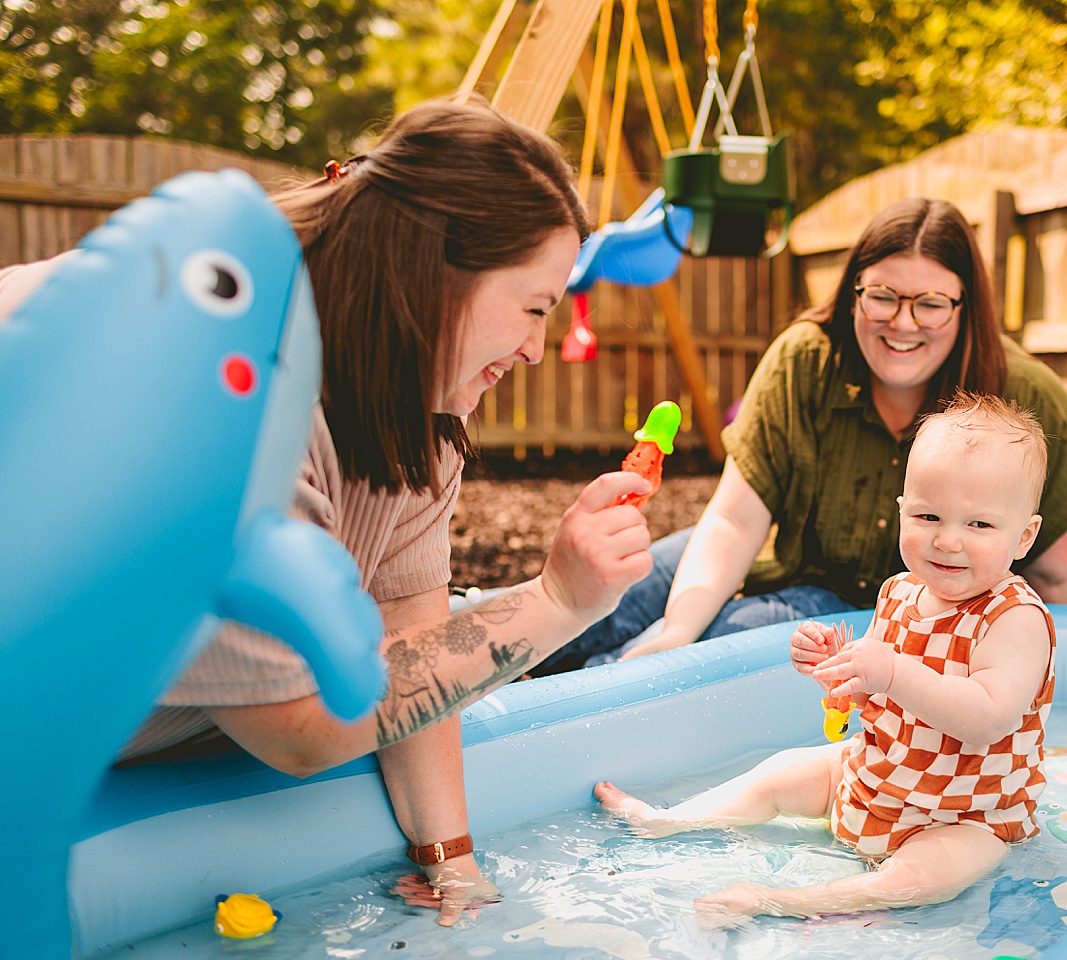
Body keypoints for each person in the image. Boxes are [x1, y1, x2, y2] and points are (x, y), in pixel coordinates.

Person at [0, 98, 654, 925]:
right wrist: (556, 602)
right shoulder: (221, 381)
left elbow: (408, 624)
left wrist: (450, 861)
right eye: (535, 307)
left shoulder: (416, 399)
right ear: (435, 273)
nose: (536, 347)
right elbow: (301, 728)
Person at [532, 196, 1067, 676]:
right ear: (854, 290)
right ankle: (477, 661)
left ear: (965, 306)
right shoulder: (805, 359)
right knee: (614, 590)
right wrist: (677, 625)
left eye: (930, 305)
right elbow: (734, 520)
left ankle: (562, 718)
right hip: (773, 549)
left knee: (713, 644)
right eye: (882, 296)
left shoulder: (1023, 395)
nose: (903, 323)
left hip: (852, 608)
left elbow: (1056, 567)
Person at [594, 394, 1057, 927]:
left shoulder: (1014, 618)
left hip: (963, 814)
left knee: (918, 881)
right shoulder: (901, 592)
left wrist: (892, 671)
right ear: (902, 510)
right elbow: (880, 702)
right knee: (784, 770)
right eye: (928, 515)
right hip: (877, 777)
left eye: (979, 525)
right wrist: (841, 671)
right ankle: (667, 820)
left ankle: (779, 902)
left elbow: (989, 716)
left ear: (1023, 536)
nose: (947, 539)